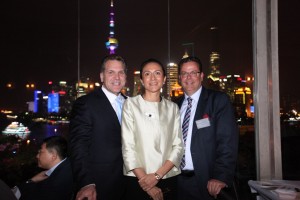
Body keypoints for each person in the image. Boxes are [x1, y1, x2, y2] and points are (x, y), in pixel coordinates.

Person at [175, 56, 238, 200]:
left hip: (206, 182)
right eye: (184, 73)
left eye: (193, 72)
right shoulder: (174, 106)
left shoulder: (217, 101)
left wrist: (220, 176)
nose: (188, 77)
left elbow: (227, 142)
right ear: (179, 78)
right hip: (177, 181)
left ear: (201, 76)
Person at [121, 58, 184, 200]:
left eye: (157, 73)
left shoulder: (172, 108)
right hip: (137, 179)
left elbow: (178, 146)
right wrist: (146, 181)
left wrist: (157, 176)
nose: (153, 78)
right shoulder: (130, 105)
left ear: (164, 79)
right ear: (142, 80)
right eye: (147, 74)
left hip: (167, 177)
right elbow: (128, 147)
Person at [69, 54, 127, 200]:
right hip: (100, 185)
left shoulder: (131, 103)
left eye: (121, 72)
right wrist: (86, 182)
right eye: (111, 72)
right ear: (102, 76)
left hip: (129, 183)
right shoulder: (86, 104)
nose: (117, 77)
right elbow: (78, 145)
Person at [12, 136, 73, 200]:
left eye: (40, 152)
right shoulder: (67, 169)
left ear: (53, 156)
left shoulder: (55, 183)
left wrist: (31, 181)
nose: (37, 156)